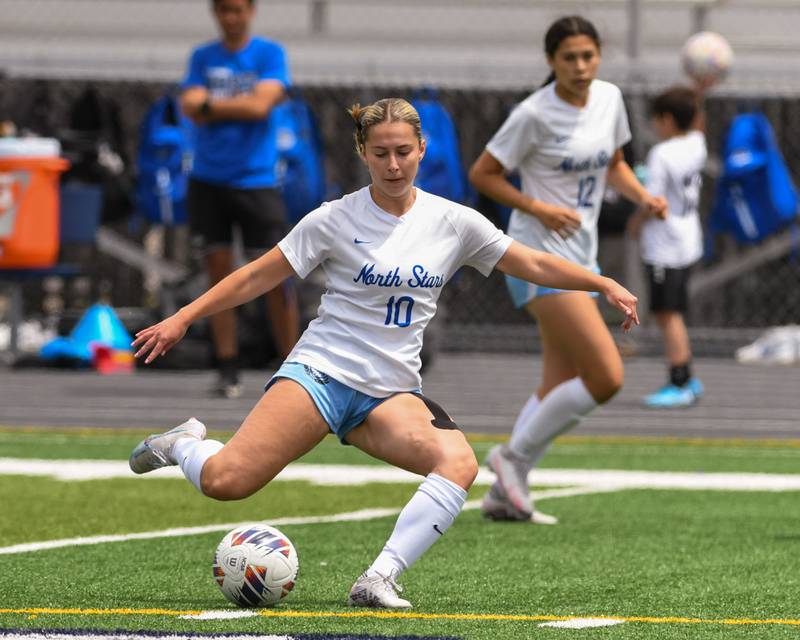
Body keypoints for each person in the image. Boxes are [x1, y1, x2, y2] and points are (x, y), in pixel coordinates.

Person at [128, 97, 640, 608]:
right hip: (322, 374)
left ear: (422, 149)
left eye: (402, 152)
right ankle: (182, 445)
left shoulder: (453, 222)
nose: (393, 165)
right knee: (225, 482)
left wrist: (601, 283)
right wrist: (182, 317)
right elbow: (257, 275)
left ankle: (378, 578)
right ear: (363, 153)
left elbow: (532, 262)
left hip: (389, 392)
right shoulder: (333, 218)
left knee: (458, 462)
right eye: (380, 154)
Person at [468, 15, 666, 524]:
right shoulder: (533, 114)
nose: (580, 66)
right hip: (536, 257)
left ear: (599, 56)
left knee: (559, 381)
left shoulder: (610, 98)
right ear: (551, 61)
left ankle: (505, 491)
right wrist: (538, 209)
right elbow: (483, 175)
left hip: (584, 253)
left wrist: (643, 196)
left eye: (588, 56)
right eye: (569, 58)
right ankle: (510, 459)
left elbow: (613, 162)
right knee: (605, 376)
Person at [180, 0, 299, 398]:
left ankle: (292, 367)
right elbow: (189, 106)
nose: (231, 17)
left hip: (256, 180)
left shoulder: (269, 53)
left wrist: (212, 106)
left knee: (274, 275)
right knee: (218, 274)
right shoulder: (202, 56)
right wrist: (232, 107)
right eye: (224, 10)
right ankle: (228, 365)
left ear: (251, 11)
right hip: (208, 178)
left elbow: (260, 106)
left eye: (238, 9)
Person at [627, 86, 706, 408]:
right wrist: (699, 90)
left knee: (667, 315)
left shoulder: (662, 154)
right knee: (673, 313)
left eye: (657, 119)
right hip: (687, 239)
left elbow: (654, 203)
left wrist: (635, 224)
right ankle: (686, 374)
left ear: (668, 119)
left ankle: (680, 380)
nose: (655, 126)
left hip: (665, 245)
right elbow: (699, 121)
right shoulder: (696, 142)